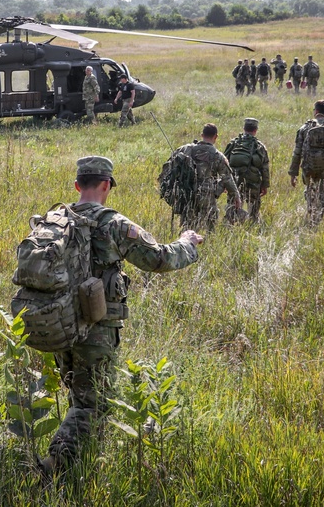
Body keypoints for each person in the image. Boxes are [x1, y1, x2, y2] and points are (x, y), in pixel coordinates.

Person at [41, 156, 203, 476]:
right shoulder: (113, 223)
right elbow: (158, 259)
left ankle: (86, 468)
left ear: (77, 185)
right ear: (106, 185)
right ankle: (53, 466)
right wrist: (188, 244)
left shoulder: (54, 220)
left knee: (81, 396)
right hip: (96, 330)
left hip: (58, 324)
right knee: (93, 404)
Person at [174, 123, 242, 231]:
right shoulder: (217, 156)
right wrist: (236, 196)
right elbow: (227, 178)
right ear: (216, 136)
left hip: (187, 192)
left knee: (188, 225)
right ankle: (208, 243)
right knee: (210, 225)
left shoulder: (186, 149)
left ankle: (186, 244)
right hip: (206, 195)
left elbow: (172, 168)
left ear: (202, 135)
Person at [289, 100, 324, 226]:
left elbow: (297, 152)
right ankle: (320, 220)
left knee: (310, 191)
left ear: (316, 111)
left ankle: (311, 214)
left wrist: (293, 173)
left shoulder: (305, 128)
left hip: (308, 167)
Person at [222, 118, 271, 223]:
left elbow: (224, 163)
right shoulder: (260, 146)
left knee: (232, 205)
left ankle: (229, 225)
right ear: (256, 130)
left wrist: (224, 183)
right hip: (253, 182)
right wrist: (265, 185)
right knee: (253, 209)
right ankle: (252, 225)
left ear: (244, 128)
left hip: (235, 181)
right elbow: (265, 168)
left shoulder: (233, 143)